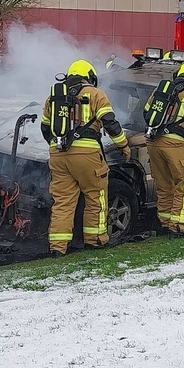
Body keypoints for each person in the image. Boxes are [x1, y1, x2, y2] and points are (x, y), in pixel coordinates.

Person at [41, 60, 130, 257]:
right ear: (89, 76)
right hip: (87, 155)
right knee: (95, 196)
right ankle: (95, 240)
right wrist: (123, 145)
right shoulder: (96, 94)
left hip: (58, 154)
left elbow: (45, 128)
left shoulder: (53, 97)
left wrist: (56, 146)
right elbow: (110, 123)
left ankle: (57, 248)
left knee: (63, 202)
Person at [143, 62, 184, 237]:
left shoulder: (162, 91)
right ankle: (179, 227)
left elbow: (146, 113)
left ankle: (164, 224)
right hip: (175, 145)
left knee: (164, 186)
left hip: (154, 143)